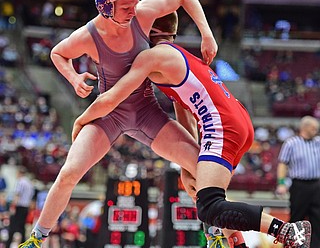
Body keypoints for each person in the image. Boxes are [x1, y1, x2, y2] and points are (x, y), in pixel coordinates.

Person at [72, 12, 312, 248]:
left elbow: (112, 98)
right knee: (210, 198)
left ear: (148, 30)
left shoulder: (152, 57)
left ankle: (287, 231)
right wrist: (190, 165)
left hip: (222, 125)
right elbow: (183, 108)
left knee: (210, 205)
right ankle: (238, 244)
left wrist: (81, 120)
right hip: (236, 121)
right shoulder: (179, 56)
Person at [19, 0, 217, 247]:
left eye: (134, 3)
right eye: (125, 7)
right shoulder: (88, 36)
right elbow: (57, 53)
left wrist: (207, 34)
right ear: (105, 7)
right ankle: (37, 238)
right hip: (109, 114)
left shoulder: (142, 13)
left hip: (147, 112)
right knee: (68, 173)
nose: (133, 10)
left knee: (203, 168)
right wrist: (73, 78)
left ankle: (215, 235)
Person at [276, 116, 320, 248]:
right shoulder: (291, 143)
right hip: (299, 185)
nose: (316, 130)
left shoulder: (318, 142)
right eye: (313, 128)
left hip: (317, 185)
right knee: (297, 217)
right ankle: (292, 245)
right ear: (305, 128)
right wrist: (282, 183)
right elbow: (283, 164)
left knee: (317, 218)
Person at [7, 167, 35, 247]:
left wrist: (13, 207)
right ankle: (23, 244)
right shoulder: (29, 183)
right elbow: (31, 198)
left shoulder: (21, 182)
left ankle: (8, 244)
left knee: (12, 227)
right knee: (22, 227)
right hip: (26, 208)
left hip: (19, 207)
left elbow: (17, 195)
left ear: (19, 173)